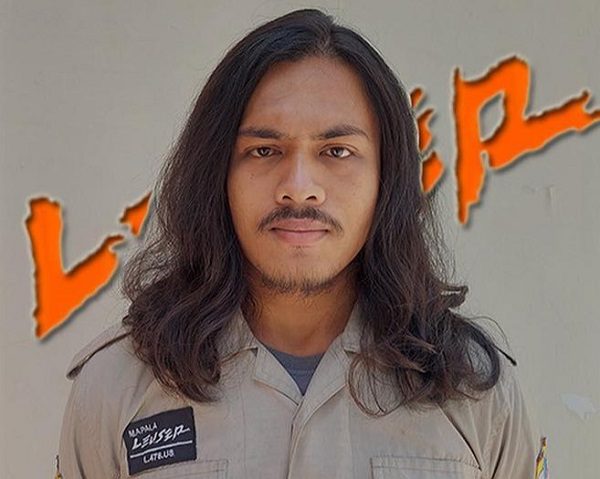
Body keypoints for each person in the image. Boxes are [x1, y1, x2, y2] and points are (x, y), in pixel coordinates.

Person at [57, 8, 538, 479]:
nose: (299, 187)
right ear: (217, 174)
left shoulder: (473, 391)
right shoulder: (119, 386)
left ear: (386, 177)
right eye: (264, 150)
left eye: (337, 151)